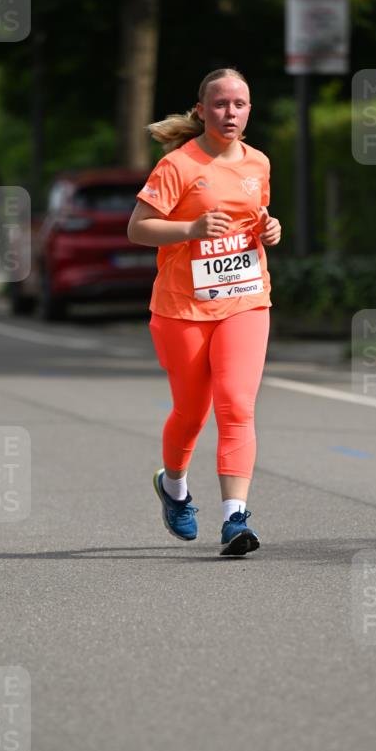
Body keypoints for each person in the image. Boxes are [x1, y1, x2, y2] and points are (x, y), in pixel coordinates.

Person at [127, 68, 281, 556]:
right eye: (220, 104)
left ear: (249, 110)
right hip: (182, 308)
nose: (230, 112)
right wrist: (191, 228)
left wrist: (271, 229)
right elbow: (138, 228)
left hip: (246, 300)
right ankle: (174, 487)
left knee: (236, 403)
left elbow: (253, 223)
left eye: (239, 103)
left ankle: (235, 519)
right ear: (201, 110)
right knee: (191, 413)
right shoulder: (178, 166)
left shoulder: (259, 164)